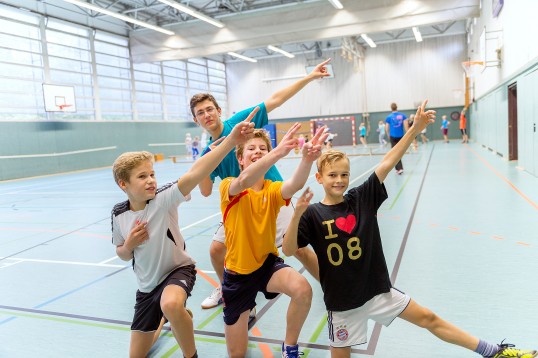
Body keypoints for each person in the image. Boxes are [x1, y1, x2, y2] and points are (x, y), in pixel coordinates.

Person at [282, 100, 537, 358]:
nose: (339, 180)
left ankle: (492, 351)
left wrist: (414, 130)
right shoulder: (312, 213)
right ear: (319, 178)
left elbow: (387, 162)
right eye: (332, 175)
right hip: (343, 306)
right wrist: (297, 217)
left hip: (377, 292)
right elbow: (291, 249)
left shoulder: (361, 198)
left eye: (344, 175)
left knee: (429, 317)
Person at [191, 58, 332, 310]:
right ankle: (232, 293)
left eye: (209, 109)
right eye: (200, 112)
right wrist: (207, 162)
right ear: (196, 120)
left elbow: (276, 99)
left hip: (271, 195)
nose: (206, 114)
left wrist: (309, 77)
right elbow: (204, 190)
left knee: (297, 248)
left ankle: (334, 288)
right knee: (215, 250)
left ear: (219, 111)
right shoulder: (207, 153)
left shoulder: (241, 121)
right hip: (240, 205)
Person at [110, 116, 255, 358]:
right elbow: (122, 254)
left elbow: (196, 173)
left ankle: (189, 351)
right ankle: (173, 316)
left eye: (152, 174)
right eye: (142, 176)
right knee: (137, 355)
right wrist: (130, 245)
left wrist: (231, 141)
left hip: (178, 271)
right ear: (123, 184)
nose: (151, 180)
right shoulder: (118, 213)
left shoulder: (163, 197)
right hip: (147, 287)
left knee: (170, 303)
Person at [220, 124, 328, 358]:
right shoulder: (229, 186)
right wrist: (276, 151)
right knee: (236, 354)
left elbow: (294, 185)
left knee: (302, 289)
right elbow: (245, 180)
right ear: (240, 158)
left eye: (262, 148)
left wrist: (307, 160)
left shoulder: (272, 189)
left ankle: (289, 346)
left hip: (266, 265)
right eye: (251, 148)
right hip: (237, 277)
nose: (257, 151)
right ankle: (242, 309)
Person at [385, 103, 407, 174]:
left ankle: (399, 168)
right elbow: (406, 127)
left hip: (393, 136)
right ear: (397, 107)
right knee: (399, 152)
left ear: (391, 108)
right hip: (401, 136)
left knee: (395, 153)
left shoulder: (389, 117)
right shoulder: (403, 116)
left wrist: (388, 134)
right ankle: (399, 168)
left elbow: (387, 128)